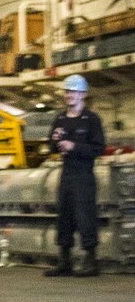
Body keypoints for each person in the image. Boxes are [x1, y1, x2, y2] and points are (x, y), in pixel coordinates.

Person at [44, 74, 106, 277]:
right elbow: (51, 146)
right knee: (65, 217)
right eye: (67, 91)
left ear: (83, 94)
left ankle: (90, 261)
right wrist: (55, 141)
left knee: (85, 217)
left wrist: (74, 146)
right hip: (66, 175)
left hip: (84, 176)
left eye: (74, 91)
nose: (69, 95)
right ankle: (65, 260)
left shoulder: (91, 120)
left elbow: (99, 148)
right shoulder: (60, 119)